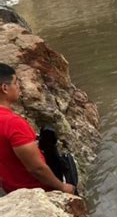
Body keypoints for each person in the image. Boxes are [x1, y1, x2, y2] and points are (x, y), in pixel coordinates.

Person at [0, 63, 75, 194]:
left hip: (10, 189)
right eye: (16, 82)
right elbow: (36, 169)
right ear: (5, 88)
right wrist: (62, 188)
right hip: (36, 190)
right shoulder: (13, 123)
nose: (19, 86)